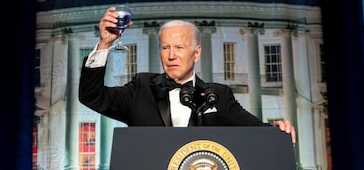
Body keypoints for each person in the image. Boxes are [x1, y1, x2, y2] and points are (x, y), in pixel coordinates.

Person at [79, 7, 296, 144]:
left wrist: (275, 132)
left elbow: (253, 129)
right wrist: (105, 44)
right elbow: (92, 97)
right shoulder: (140, 88)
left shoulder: (219, 95)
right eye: (165, 48)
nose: (171, 55)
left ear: (197, 53)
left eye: (180, 47)